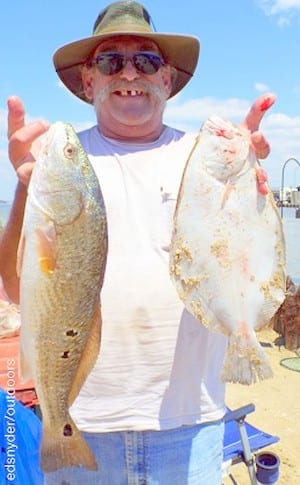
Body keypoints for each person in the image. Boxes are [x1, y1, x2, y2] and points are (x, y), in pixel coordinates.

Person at [0, 1, 274, 484]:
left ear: (166, 80)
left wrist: (244, 175)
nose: (130, 72)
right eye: (110, 61)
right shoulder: (63, 164)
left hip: (193, 423)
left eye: (146, 61)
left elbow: (248, 255)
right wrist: (26, 185)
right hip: (82, 420)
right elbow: (18, 286)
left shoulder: (206, 157)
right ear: (88, 82)